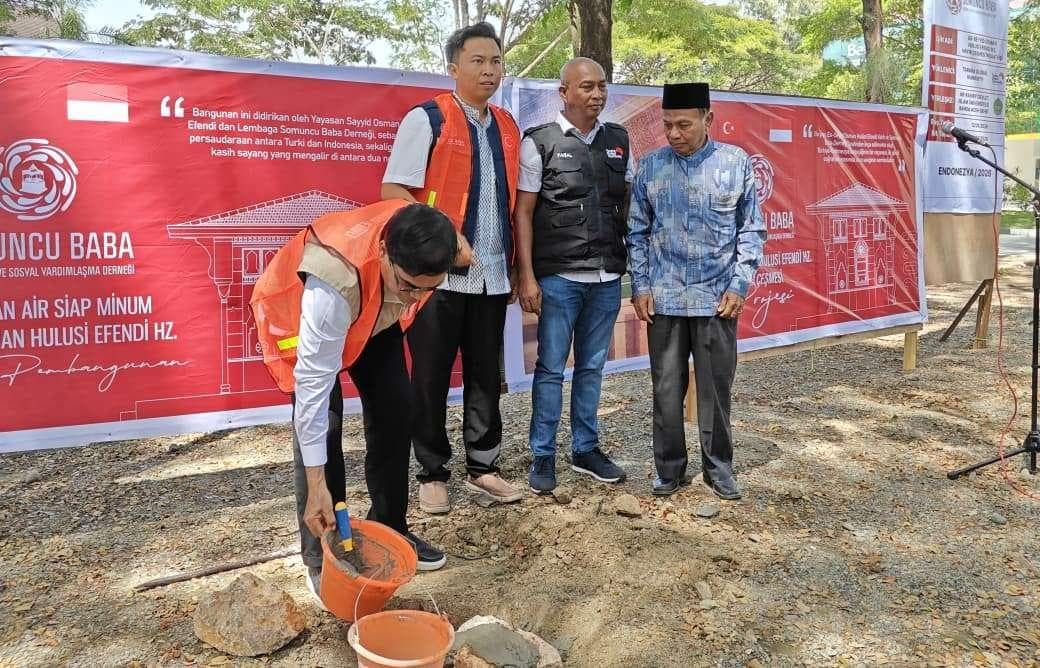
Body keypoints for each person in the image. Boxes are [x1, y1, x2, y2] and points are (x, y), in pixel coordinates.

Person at [250, 200, 459, 600]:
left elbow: (444, 256)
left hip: (374, 307)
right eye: (409, 286)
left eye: (427, 289)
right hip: (298, 314)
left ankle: (389, 529)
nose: (416, 298)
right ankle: (323, 554)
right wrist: (316, 485)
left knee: (397, 409)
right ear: (384, 251)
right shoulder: (332, 285)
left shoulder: (425, 237)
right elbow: (312, 393)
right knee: (324, 427)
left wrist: (411, 286)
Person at [381, 22, 523, 514]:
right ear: (453, 67)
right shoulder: (428, 119)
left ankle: (484, 466)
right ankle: (432, 472)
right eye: (477, 61)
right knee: (431, 376)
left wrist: (517, 267)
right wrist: (445, 235)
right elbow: (393, 191)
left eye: (496, 61)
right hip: (436, 278)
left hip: (492, 276)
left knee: (485, 376)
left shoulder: (508, 126)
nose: (489, 71)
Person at [626, 82, 766, 500]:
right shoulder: (651, 167)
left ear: (709, 119)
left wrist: (740, 284)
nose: (674, 133)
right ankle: (669, 469)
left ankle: (718, 468)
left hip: (717, 300)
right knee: (666, 391)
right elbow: (636, 231)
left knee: (715, 391)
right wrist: (641, 285)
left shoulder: (735, 164)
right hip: (664, 300)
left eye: (684, 125)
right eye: (668, 124)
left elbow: (751, 230)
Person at [515, 57, 632, 494]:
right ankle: (543, 455)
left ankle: (585, 449)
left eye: (602, 86)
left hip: (606, 278)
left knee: (592, 367)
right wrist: (527, 277)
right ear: (563, 92)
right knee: (550, 368)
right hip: (559, 279)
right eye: (587, 86)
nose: (597, 94)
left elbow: (627, 206)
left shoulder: (619, 140)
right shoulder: (540, 142)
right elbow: (523, 213)